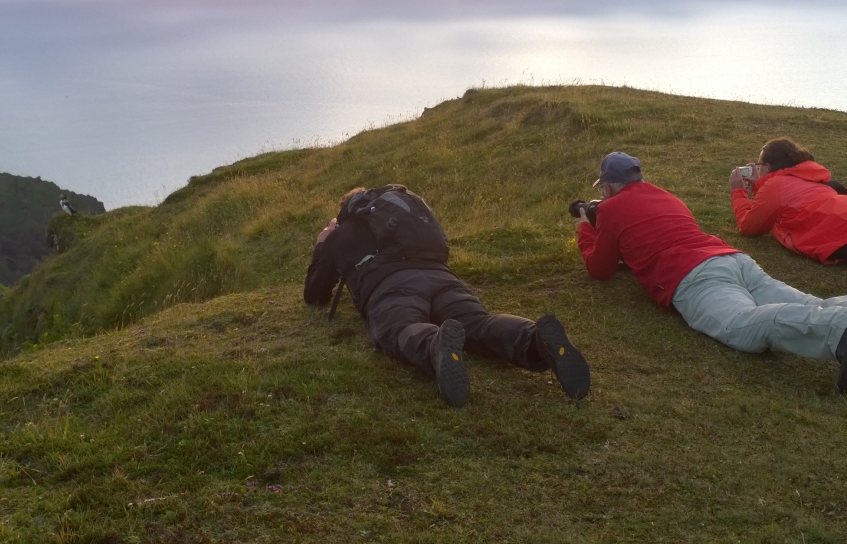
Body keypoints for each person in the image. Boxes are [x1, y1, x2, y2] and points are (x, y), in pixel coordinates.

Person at [575, 151, 847, 391]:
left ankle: (840, 332)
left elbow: (600, 269)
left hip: (695, 276)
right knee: (812, 304)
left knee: (741, 325)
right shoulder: (667, 197)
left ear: (607, 188)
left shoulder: (610, 209)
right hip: (732, 259)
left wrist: (586, 227)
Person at [304, 185, 591, 408]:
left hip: (391, 287)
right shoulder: (400, 217)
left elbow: (315, 295)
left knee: (400, 327)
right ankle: (534, 338)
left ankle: (434, 344)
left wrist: (323, 244)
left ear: (347, 211)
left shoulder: (340, 235)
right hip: (442, 278)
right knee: (479, 322)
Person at [729, 137, 847, 264]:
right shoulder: (808, 176)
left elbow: (749, 227)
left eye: (759, 165)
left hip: (838, 230)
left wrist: (738, 192)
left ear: (767, 167)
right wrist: (760, 186)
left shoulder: (775, 185)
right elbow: (780, 204)